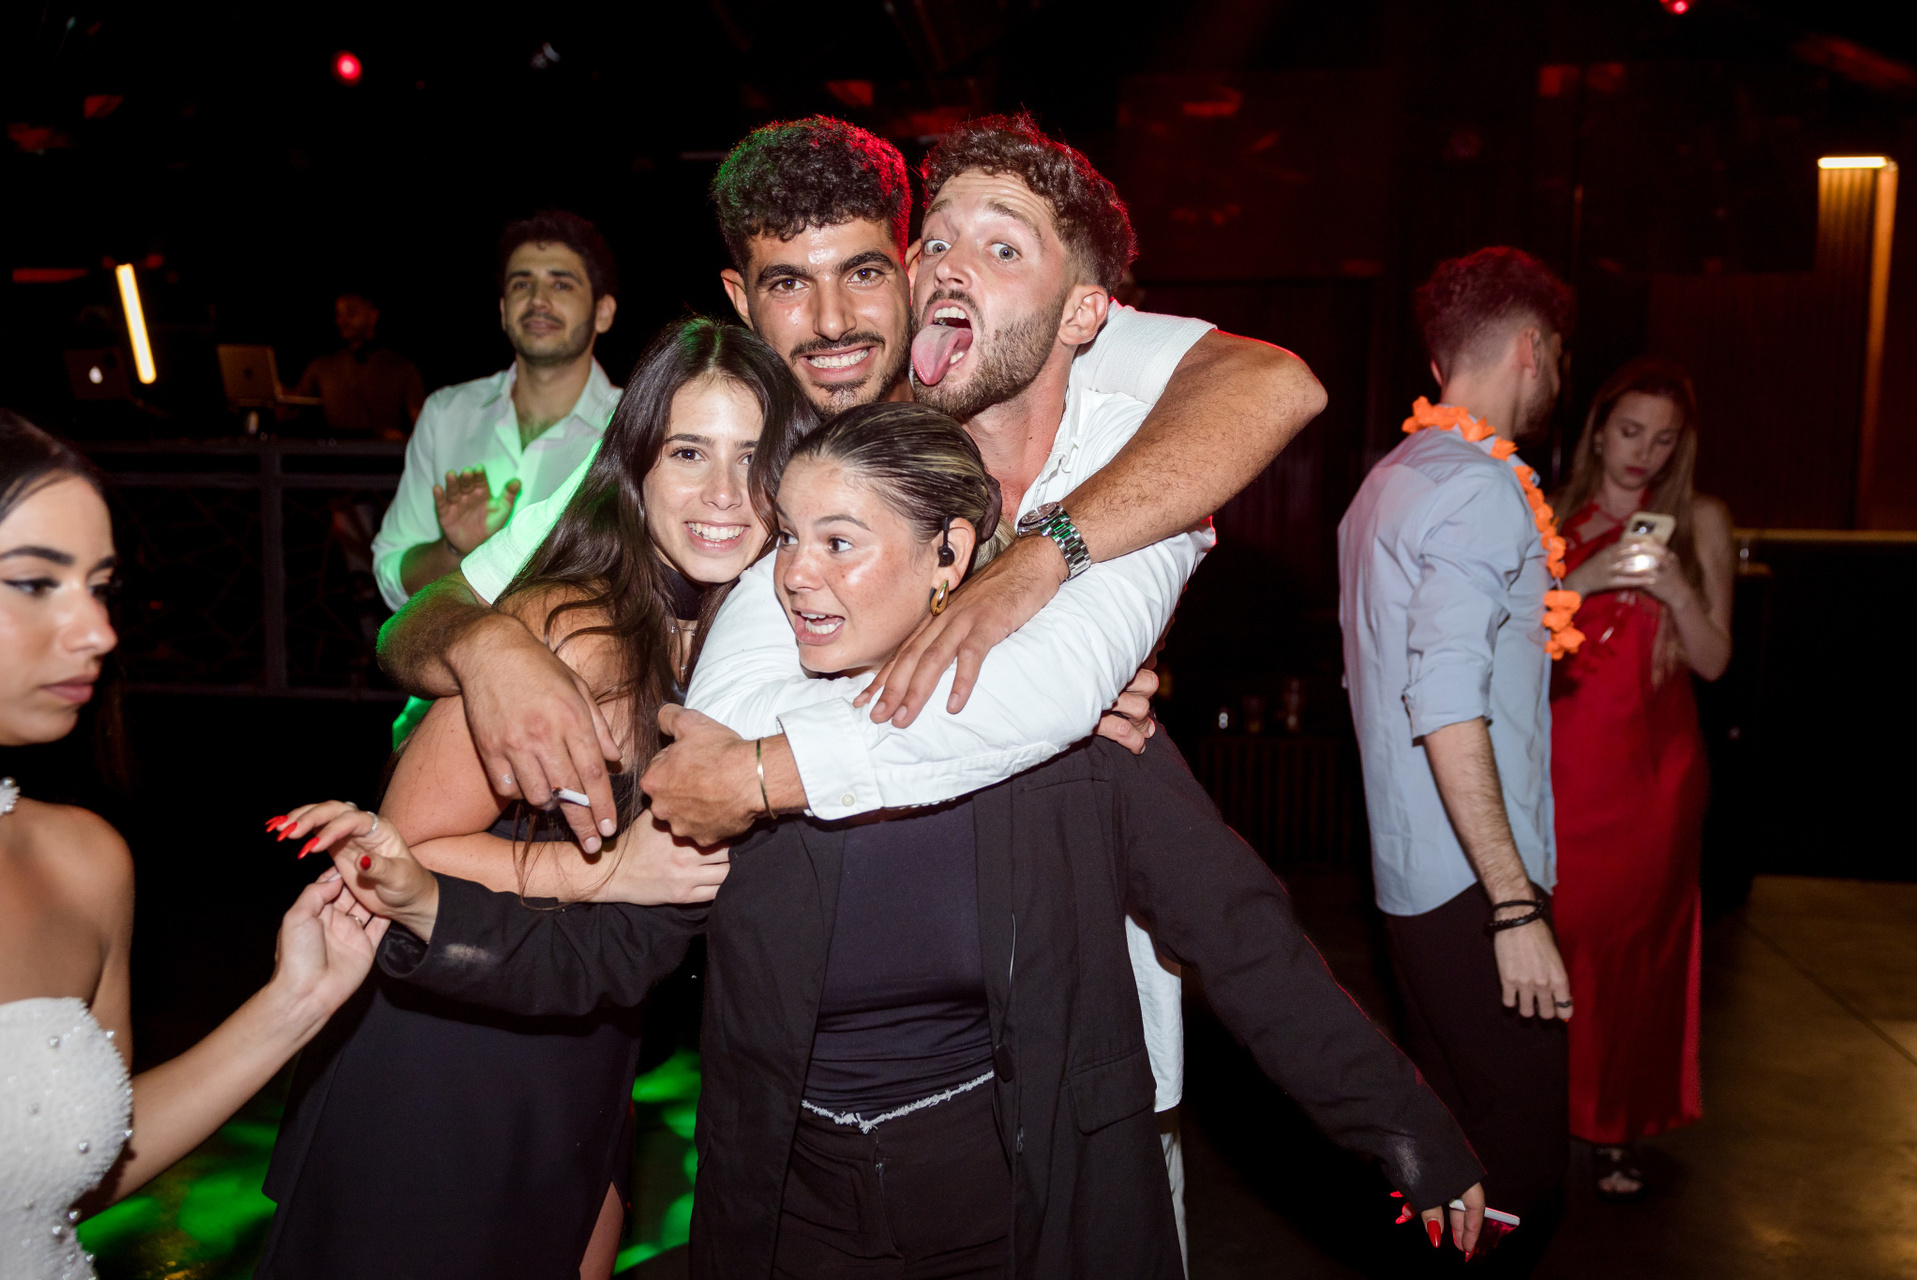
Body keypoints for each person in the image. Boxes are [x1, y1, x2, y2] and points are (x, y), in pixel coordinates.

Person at [376, 116, 1327, 1249]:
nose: (831, 320)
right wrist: (489, 649)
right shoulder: (705, 432)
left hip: (1039, 1050)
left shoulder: (999, 359)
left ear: (913, 267)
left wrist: (1050, 581)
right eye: (790, 284)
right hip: (713, 1019)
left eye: (865, 272)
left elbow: (1270, 383)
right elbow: (424, 613)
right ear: (742, 297)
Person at [287, 401, 1493, 1278]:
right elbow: (615, 948)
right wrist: (424, 904)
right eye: (787, 539)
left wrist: (1409, 1133)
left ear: (949, 557)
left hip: (1013, 1203)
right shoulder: (737, 753)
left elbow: (1245, 941)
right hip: (795, 1212)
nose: (793, 579)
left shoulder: (1066, 741)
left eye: (839, 541)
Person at [251, 319, 809, 1280]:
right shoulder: (571, 625)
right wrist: (605, 870)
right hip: (447, 1056)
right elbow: (400, 845)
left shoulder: (727, 637)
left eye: (752, 458)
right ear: (636, 467)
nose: (724, 492)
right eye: (688, 452)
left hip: (579, 1036)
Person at [0, 411, 379, 1280]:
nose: (99, 631)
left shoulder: (84, 864)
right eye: (33, 583)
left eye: (100, 586)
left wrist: (298, 1002)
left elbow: (76, 1167)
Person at [1337, 247, 1578, 1269]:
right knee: (1522, 1168)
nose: (1556, 374)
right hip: (1475, 881)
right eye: (1557, 355)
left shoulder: (1390, 480)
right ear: (1531, 347)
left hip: (1409, 875)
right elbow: (1443, 704)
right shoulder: (1481, 489)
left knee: (1450, 1162)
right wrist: (1514, 908)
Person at [1547, 357, 1733, 1200]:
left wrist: (1678, 591)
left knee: (1638, 952)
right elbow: (1502, 637)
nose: (1643, 453)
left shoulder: (1700, 519)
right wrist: (1579, 580)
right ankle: (1545, 1114)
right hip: (1561, 760)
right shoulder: (1551, 512)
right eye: (1629, 431)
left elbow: (1715, 662)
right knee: (1557, 941)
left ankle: (1617, 1124)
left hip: (1656, 774)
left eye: (1663, 439)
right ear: (1598, 431)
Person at [370, 209, 623, 613]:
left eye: (561, 284)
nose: (537, 300)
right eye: (522, 283)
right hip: (451, 652)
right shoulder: (447, 413)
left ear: (603, 312)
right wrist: (455, 549)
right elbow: (391, 574)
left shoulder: (632, 428)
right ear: (504, 311)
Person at [291, 291, 426, 440]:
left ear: (373, 316)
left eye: (351, 313)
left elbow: (422, 425)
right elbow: (289, 410)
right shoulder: (322, 365)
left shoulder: (401, 367)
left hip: (382, 451)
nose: (342, 321)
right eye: (339, 315)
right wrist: (278, 395)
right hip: (334, 450)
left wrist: (402, 441)